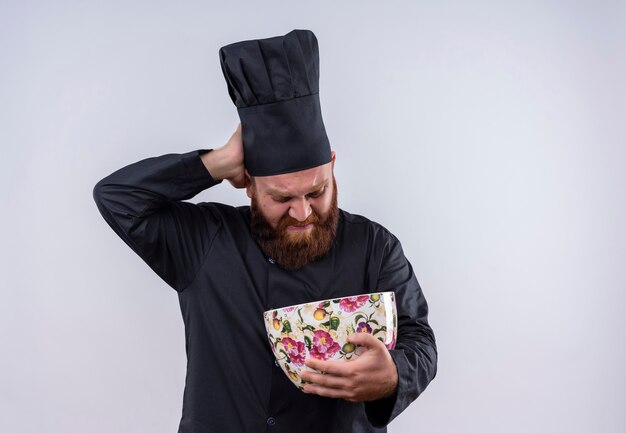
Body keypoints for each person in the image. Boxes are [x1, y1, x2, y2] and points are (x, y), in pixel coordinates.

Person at [93, 29, 437, 433]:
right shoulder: (204, 240)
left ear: (332, 164)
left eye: (317, 190)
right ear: (249, 184)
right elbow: (117, 198)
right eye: (281, 198)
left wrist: (394, 374)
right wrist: (214, 163)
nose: (303, 211)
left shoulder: (374, 246)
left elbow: (420, 341)